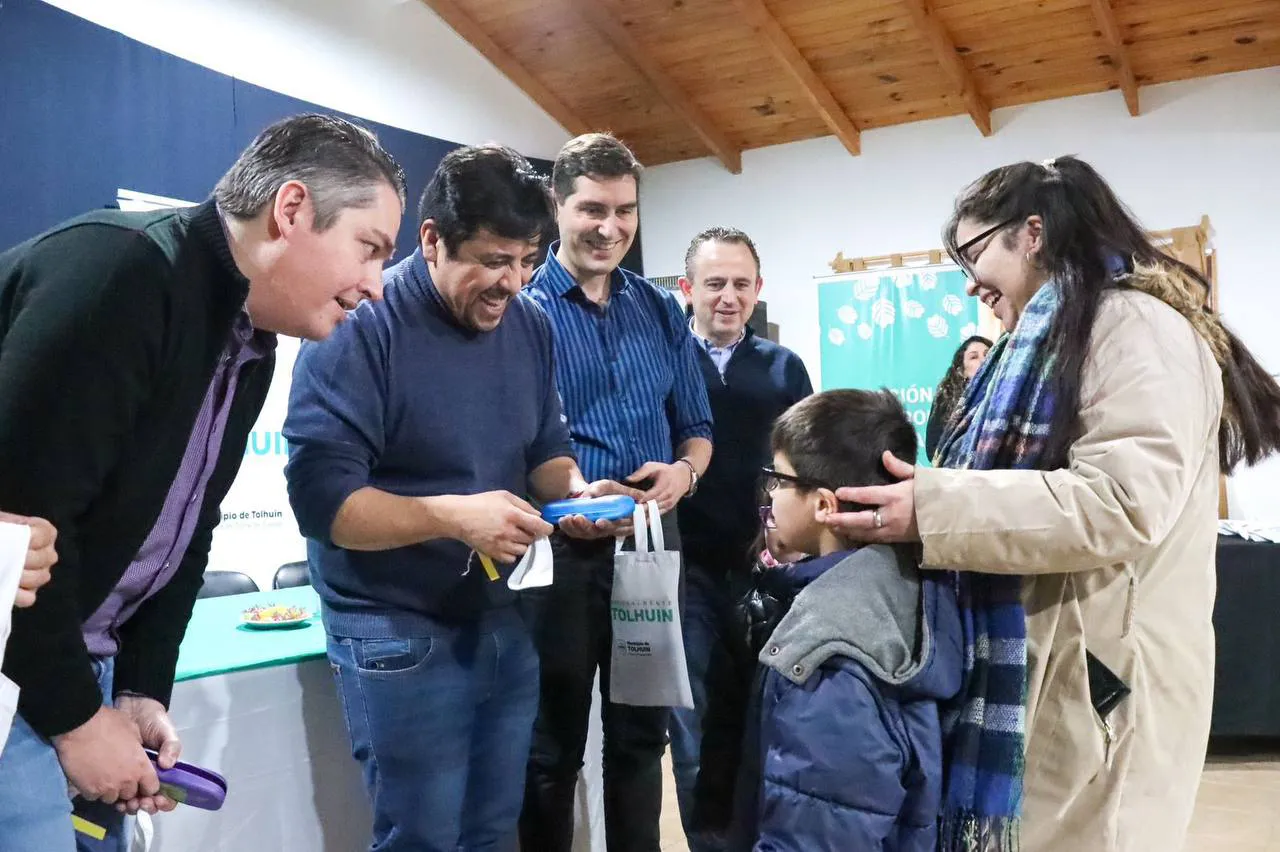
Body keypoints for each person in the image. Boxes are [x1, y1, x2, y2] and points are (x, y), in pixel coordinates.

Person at [825, 156, 1280, 851]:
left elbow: (1121, 503)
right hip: (1066, 679)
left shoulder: (1134, 326)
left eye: (975, 253)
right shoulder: (1051, 336)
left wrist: (935, 510)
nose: (972, 281)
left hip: (1106, 691)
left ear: (1031, 232)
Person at [0, 112, 406, 852]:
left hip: (72, 674)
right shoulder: (120, 277)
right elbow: (17, 540)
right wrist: (76, 720)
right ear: (291, 211)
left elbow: (187, 530)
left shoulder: (249, 339)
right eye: (369, 249)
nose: (376, 286)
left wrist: (140, 689)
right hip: (19, 679)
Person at [283, 144, 635, 852]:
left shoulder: (529, 324)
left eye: (528, 259)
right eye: (493, 260)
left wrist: (576, 494)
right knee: (422, 837)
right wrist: (451, 515)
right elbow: (324, 505)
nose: (512, 282)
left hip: (501, 616)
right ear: (431, 239)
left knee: (493, 831)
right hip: (395, 628)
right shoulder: (360, 324)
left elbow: (545, 449)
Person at [520, 133, 714, 852]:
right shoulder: (523, 309)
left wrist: (684, 473)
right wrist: (568, 501)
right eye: (593, 209)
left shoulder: (661, 311)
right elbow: (511, 443)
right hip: (561, 561)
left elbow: (696, 425)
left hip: (652, 551)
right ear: (555, 206)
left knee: (639, 741)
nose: (611, 228)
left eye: (625, 210)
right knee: (552, 750)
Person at [732, 389, 962, 851]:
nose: (770, 495)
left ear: (823, 506)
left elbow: (817, 829)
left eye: (777, 480)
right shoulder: (918, 589)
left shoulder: (828, 652)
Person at [670, 227, 812, 852]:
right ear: (687, 289)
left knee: (765, 710)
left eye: (740, 285)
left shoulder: (785, 368)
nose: (727, 297)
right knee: (694, 717)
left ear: (759, 291)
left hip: (767, 570)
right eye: (714, 284)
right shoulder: (665, 360)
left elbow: (806, 466)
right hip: (682, 572)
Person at [924, 335, 991, 461]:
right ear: (962, 371)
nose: (983, 360)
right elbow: (933, 449)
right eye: (974, 357)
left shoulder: (1007, 394)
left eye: (987, 354)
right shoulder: (947, 396)